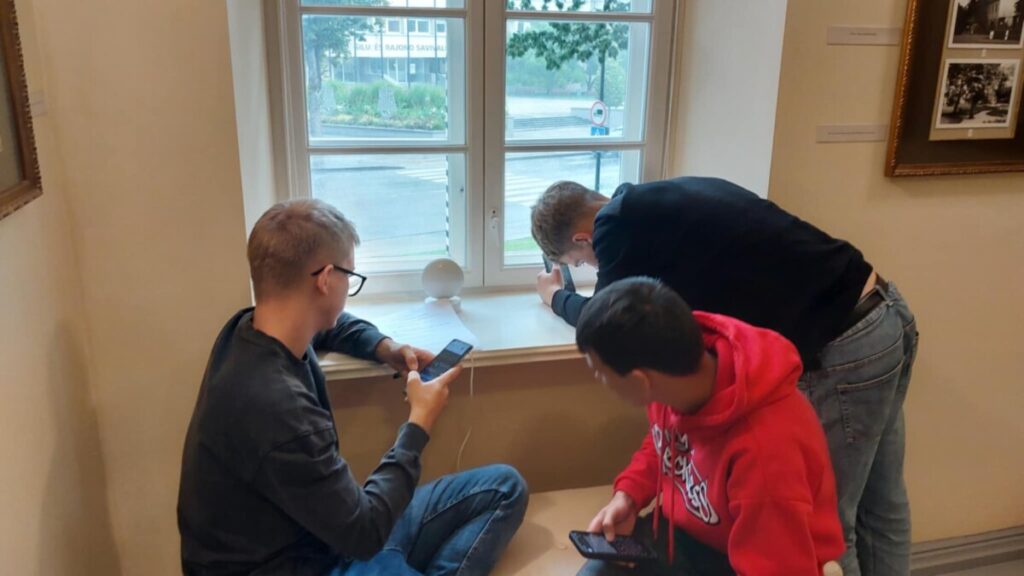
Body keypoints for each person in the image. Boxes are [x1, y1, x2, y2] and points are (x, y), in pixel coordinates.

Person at [532, 177, 917, 576]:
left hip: (844, 338)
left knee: (835, 535)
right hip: (880, 310)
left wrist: (554, 296)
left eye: (580, 261)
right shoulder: (653, 208)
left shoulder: (615, 224)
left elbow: (601, 317)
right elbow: (666, 442)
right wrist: (629, 494)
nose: (593, 268)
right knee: (882, 508)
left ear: (583, 238)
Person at [178, 199, 527, 576]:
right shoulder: (278, 405)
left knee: (505, 487)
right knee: (380, 537)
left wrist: (386, 348)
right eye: (350, 277)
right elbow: (364, 534)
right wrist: (419, 424)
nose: (348, 287)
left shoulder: (248, 329)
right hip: (308, 560)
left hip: (327, 536)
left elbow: (336, 326)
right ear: (326, 280)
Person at [575, 277, 845, 576]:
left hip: (752, 558)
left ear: (641, 381)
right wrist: (628, 495)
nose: (599, 381)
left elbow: (778, 567)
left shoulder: (765, 452)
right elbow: (664, 442)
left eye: (600, 372)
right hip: (686, 536)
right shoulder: (673, 381)